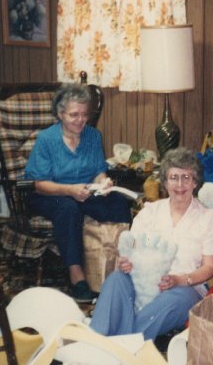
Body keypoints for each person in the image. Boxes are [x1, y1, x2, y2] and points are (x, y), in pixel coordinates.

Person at [90, 147, 213, 340]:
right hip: (142, 278)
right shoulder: (150, 212)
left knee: (177, 300)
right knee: (116, 279)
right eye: (173, 177)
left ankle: (122, 343)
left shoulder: (207, 218)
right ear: (164, 181)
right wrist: (125, 261)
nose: (180, 184)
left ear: (195, 182)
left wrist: (179, 280)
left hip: (184, 287)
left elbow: (210, 267)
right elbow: (135, 247)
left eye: (186, 177)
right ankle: (96, 337)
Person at [24, 83, 132, 303]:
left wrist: (104, 182)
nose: (80, 120)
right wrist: (68, 190)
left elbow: (98, 172)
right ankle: (77, 275)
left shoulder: (92, 135)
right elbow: (38, 183)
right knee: (69, 209)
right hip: (50, 194)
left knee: (119, 202)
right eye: (74, 115)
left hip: (84, 191)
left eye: (84, 114)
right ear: (60, 114)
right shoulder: (46, 139)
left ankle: (122, 263)